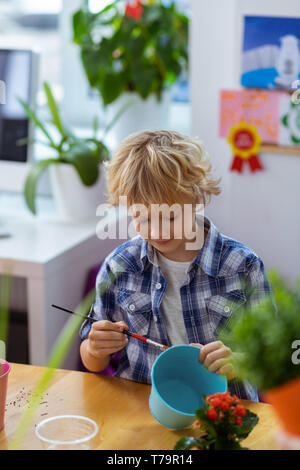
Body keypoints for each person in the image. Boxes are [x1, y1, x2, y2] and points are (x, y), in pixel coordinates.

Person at [79, 130, 275, 401]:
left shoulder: (243, 266)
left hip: (225, 415)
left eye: (170, 217)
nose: (156, 230)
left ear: (196, 201)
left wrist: (240, 362)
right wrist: (94, 348)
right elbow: (93, 362)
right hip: (141, 413)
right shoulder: (120, 266)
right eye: (142, 218)